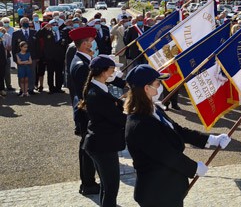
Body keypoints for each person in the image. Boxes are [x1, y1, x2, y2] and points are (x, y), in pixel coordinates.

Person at [124, 64, 231, 207]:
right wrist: (193, 168)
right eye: (157, 83)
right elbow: (165, 154)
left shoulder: (152, 109)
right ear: (146, 88)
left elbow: (178, 130)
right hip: (156, 194)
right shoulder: (140, 123)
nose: (161, 85)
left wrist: (211, 139)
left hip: (168, 188)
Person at [81, 55, 126, 206]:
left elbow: (112, 108)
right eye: (112, 69)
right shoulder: (97, 94)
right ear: (104, 72)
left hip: (100, 144)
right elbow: (118, 119)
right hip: (103, 146)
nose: (114, 72)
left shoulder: (98, 88)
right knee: (111, 188)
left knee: (107, 188)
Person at [69, 26, 101, 195]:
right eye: (90, 42)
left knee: (86, 148)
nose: (92, 44)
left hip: (84, 111)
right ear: (83, 45)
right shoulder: (82, 65)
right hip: (85, 112)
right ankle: (88, 184)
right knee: (87, 150)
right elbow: (87, 93)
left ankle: (88, 182)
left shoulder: (83, 60)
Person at [36, 19, 68, 94]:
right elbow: (37, 35)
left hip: (59, 56)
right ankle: (51, 88)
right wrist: (44, 28)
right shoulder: (46, 32)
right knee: (50, 73)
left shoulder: (62, 32)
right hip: (49, 57)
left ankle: (58, 87)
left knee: (59, 73)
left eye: (56, 25)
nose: (55, 26)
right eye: (53, 25)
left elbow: (66, 42)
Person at [12, 17, 40, 94]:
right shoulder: (16, 33)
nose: (26, 23)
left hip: (32, 57)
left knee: (32, 73)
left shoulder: (34, 32)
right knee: (21, 73)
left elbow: (37, 46)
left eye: (27, 21)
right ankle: (22, 89)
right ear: (20, 23)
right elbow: (14, 47)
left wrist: (37, 57)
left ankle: (31, 88)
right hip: (20, 57)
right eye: (24, 21)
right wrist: (15, 58)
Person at [1, 17, 14, 92]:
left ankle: (9, 86)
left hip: (7, 56)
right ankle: (1, 87)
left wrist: (7, 47)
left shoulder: (8, 36)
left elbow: (11, 47)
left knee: (7, 72)